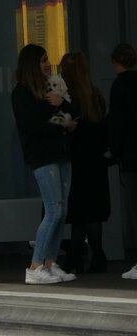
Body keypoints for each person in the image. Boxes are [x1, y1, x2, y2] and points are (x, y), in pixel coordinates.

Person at [11, 43, 78, 285]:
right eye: (43, 60)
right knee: (54, 210)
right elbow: (31, 126)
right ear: (31, 64)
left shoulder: (50, 88)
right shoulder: (21, 93)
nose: (47, 64)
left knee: (61, 211)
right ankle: (36, 265)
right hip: (42, 156)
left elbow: (75, 110)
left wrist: (61, 103)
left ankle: (49, 262)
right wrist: (61, 125)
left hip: (60, 153)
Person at [60, 52, 109, 273]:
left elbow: (63, 126)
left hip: (77, 159)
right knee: (91, 211)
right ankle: (95, 254)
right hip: (95, 159)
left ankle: (76, 256)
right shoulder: (94, 95)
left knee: (79, 210)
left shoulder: (69, 98)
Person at [107, 42, 137, 280]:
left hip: (130, 155)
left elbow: (117, 123)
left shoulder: (119, 87)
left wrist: (113, 151)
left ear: (116, 62)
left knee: (133, 208)